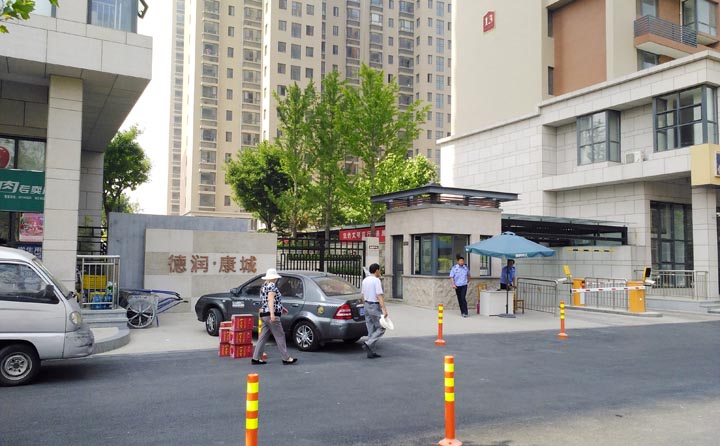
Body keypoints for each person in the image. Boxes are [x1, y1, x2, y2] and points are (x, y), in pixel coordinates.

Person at [251, 268, 298, 365]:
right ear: (274, 278)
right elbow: (271, 300)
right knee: (280, 335)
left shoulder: (264, 286)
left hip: (264, 314)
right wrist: (272, 314)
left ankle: (256, 357)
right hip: (271, 314)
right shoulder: (272, 286)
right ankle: (286, 358)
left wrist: (281, 308)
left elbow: (267, 300)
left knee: (263, 336)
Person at [361, 263, 387, 359]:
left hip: (366, 305)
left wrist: (365, 305)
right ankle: (369, 343)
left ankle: (371, 352)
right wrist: (384, 309)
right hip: (374, 306)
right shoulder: (376, 281)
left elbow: (362, 295)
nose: (380, 272)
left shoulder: (365, 280)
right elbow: (379, 295)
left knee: (371, 329)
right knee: (382, 327)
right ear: (376, 270)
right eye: (379, 270)